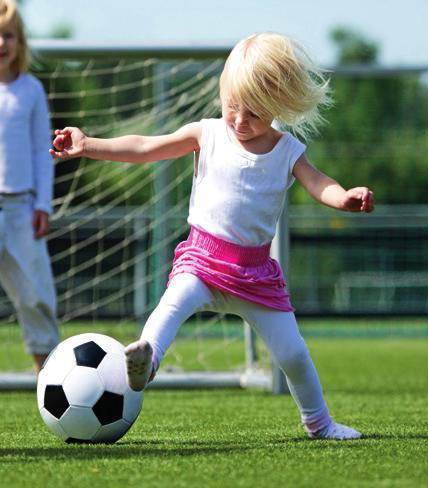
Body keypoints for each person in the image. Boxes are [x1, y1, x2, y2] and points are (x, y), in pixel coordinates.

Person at [50, 32, 374, 440]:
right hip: (200, 262)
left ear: (278, 106)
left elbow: (318, 182)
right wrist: (88, 144)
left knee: (293, 354)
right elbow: (146, 146)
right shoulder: (207, 133)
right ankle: (144, 366)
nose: (239, 120)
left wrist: (344, 197)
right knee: (166, 312)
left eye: (254, 113)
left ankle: (320, 423)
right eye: (233, 106)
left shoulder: (288, 149)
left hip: (255, 276)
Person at [0, 0, 59, 373]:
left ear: (20, 42)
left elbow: (42, 149)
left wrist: (43, 204)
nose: (1, 43)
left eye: (8, 36)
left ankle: (50, 374)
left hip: (22, 207)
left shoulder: (31, 90)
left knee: (35, 294)